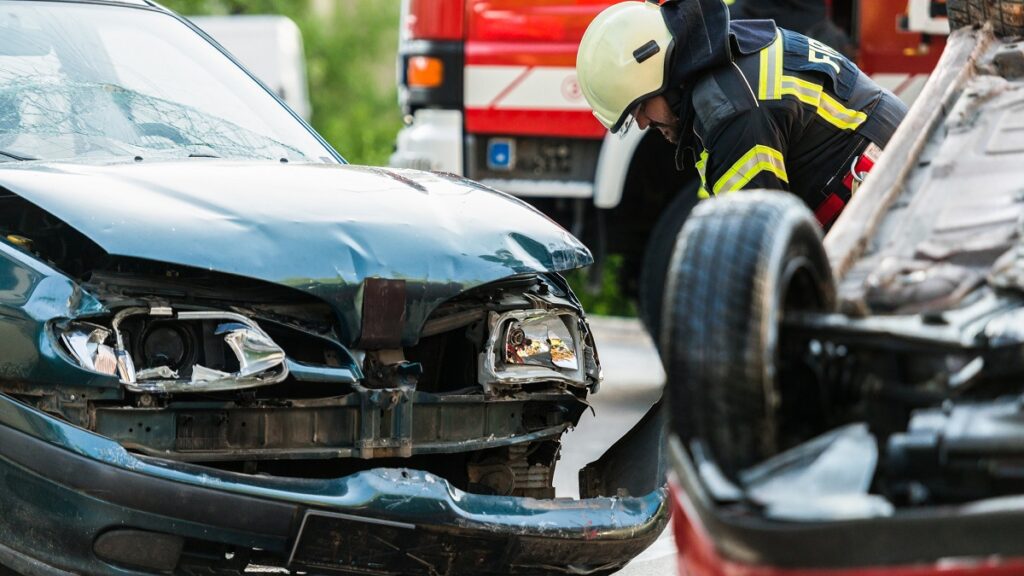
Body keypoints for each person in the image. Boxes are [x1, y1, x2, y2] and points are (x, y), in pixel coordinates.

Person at [576, 0, 907, 229]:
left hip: (887, 192)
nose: (644, 123)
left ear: (663, 80)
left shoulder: (731, 112)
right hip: (891, 162)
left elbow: (757, 242)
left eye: (640, 107)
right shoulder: (725, 55)